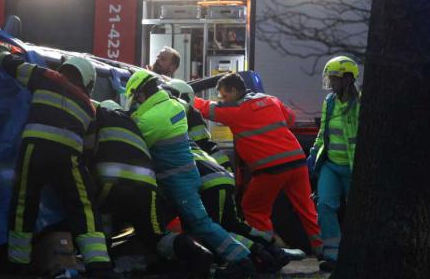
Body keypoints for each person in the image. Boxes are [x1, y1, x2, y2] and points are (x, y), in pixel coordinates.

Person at [125, 70, 255, 279]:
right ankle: (193, 263)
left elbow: (135, 142)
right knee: (187, 225)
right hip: (186, 175)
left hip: (178, 181)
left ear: (140, 95)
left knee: (201, 223)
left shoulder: (150, 119)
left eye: (135, 98)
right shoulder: (173, 105)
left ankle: (241, 260)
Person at [0, 48, 114, 277]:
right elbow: (89, 150)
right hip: (69, 157)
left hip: (34, 150)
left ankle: (17, 264)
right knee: (83, 208)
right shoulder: (89, 107)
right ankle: (99, 264)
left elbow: (13, 65)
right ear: (88, 82)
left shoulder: (46, 77)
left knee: (24, 204)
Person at [163, 79, 289, 273]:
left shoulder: (175, 116)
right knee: (231, 224)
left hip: (208, 179)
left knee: (216, 229)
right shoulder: (191, 115)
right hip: (221, 174)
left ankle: (253, 257)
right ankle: (270, 249)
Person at [194, 73, 323, 259]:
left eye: (224, 95)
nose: (222, 100)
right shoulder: (271, 99)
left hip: (270, 168)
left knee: (253, 208)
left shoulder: (235, 111)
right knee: (306, 207)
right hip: (296, 160)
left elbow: (203, 107)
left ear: (234, 90)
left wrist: (178, 92)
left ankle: (271, 251)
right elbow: (291, 119)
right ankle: (322, 249)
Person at [90, 100, 214, 279]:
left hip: (111, 182)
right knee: (156, 237)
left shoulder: (99, 116)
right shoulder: (134, 123)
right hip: (146, 186)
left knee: (99, 221)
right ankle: (198, 253)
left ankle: (102, 266)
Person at [308, 56, 361, 272]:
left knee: (356, 212)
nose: (331, 83)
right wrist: (313, 153)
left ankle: (356, 253)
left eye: (335, 78)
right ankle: (332, 255)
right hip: (330, 164)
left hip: (352, 167)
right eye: (329, 79)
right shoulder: (329, 102)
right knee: (325, 206)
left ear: (348, 79)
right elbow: (323, 132)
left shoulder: (360, 104)